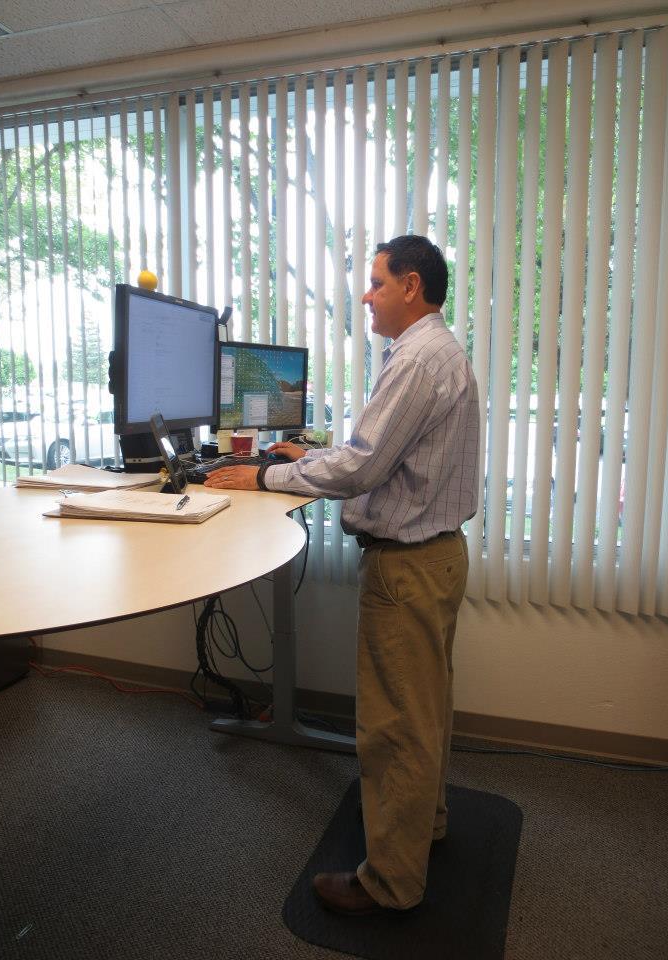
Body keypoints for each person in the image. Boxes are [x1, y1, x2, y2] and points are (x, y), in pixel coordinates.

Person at [205, 235, 480, 915]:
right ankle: (423, 826)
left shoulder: (415, 359)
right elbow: (376, 451)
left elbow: (361, 466)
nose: (366, 295)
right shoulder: (437, 351)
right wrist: (311, 454)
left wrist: (269, 473)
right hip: (437, 558)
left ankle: (389, 883)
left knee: (395, 725)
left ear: (411, 287)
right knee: (424, 711)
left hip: (408, 569)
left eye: (377, 282)